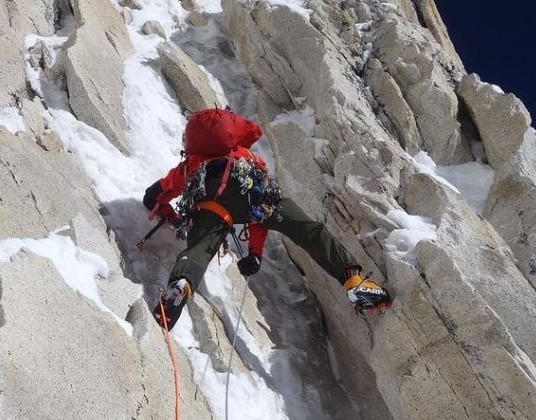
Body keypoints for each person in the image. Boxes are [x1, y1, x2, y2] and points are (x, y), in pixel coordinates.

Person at [144, 108, 391, 330]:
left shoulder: (192, 165)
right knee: (307, 230)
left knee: (199, 248)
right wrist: (255, 253)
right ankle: (355, 283)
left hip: (212, 204)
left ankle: (182, 284)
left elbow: (154, 196)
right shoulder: (244, 156)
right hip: (257, 197)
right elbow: (257, 213)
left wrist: (172, 216)